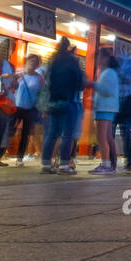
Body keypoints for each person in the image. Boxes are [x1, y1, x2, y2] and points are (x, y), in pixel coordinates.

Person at [40, 37, 82, 174]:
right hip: (67, 100)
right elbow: (78, 82)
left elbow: (47, 82)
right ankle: (64, 165)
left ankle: (46, 164)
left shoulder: (53, 61)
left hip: (52, 101)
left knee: (51, 134)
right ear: (69, 48)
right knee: (67, 134)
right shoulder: (71, 61)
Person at [90, 53, 120, 174]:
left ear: (105, 59)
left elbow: (106, 90)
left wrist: (93, 84)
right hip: (109, 107)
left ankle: (106, 163)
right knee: (107, 137)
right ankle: (111, 163)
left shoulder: (107, 73)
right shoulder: (111, 72)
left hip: (104, 107)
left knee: (102, 137)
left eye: (98, 57)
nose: (97, 60)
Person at [10, 53, 42, 166]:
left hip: (31, 108)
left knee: (25, 135)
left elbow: (42, 93)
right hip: (17, 107)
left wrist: (41, 108)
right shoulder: (20, 74)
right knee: (10, 131)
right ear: (26, 62)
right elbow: (11, 86)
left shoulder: (39, 78)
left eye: (35, 61)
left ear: (38, 64)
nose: (32, 63)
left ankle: (19, 158)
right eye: (30, 61)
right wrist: (14, 78)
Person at [115, 62, 131, 174]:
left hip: (116, 112)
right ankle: (129, 163)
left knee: (110, 137)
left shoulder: (115, 81)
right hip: (126, 114)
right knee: (128, 139)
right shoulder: (127, 84)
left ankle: (110, 162)